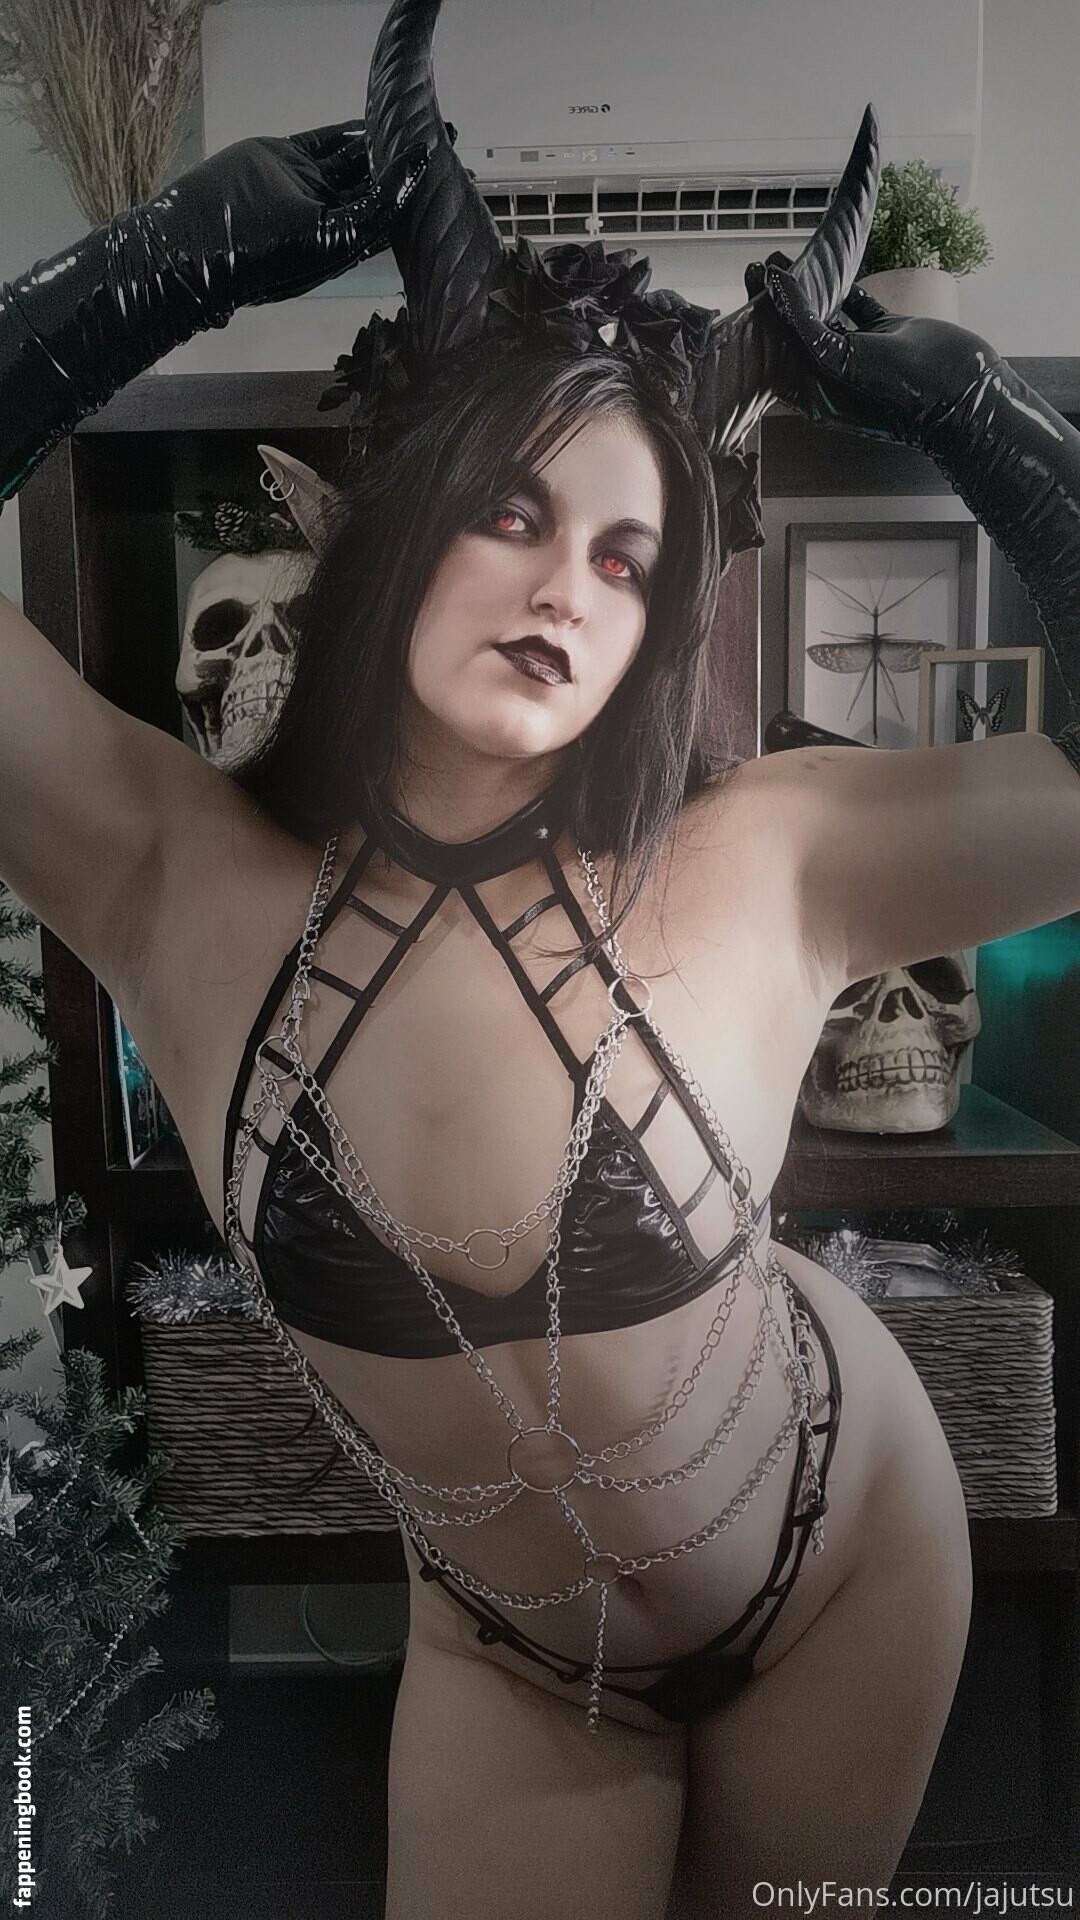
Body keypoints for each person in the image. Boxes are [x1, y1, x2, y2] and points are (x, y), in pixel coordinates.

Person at [1, 0, 1078, 1913]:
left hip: (844, 1559)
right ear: (402, 517)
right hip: (515, 1663)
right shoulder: (175, 873)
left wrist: (971, 410)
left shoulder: (771, 858)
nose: (566, 589)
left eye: (625, 558)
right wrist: (156, 265)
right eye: (513, 511)